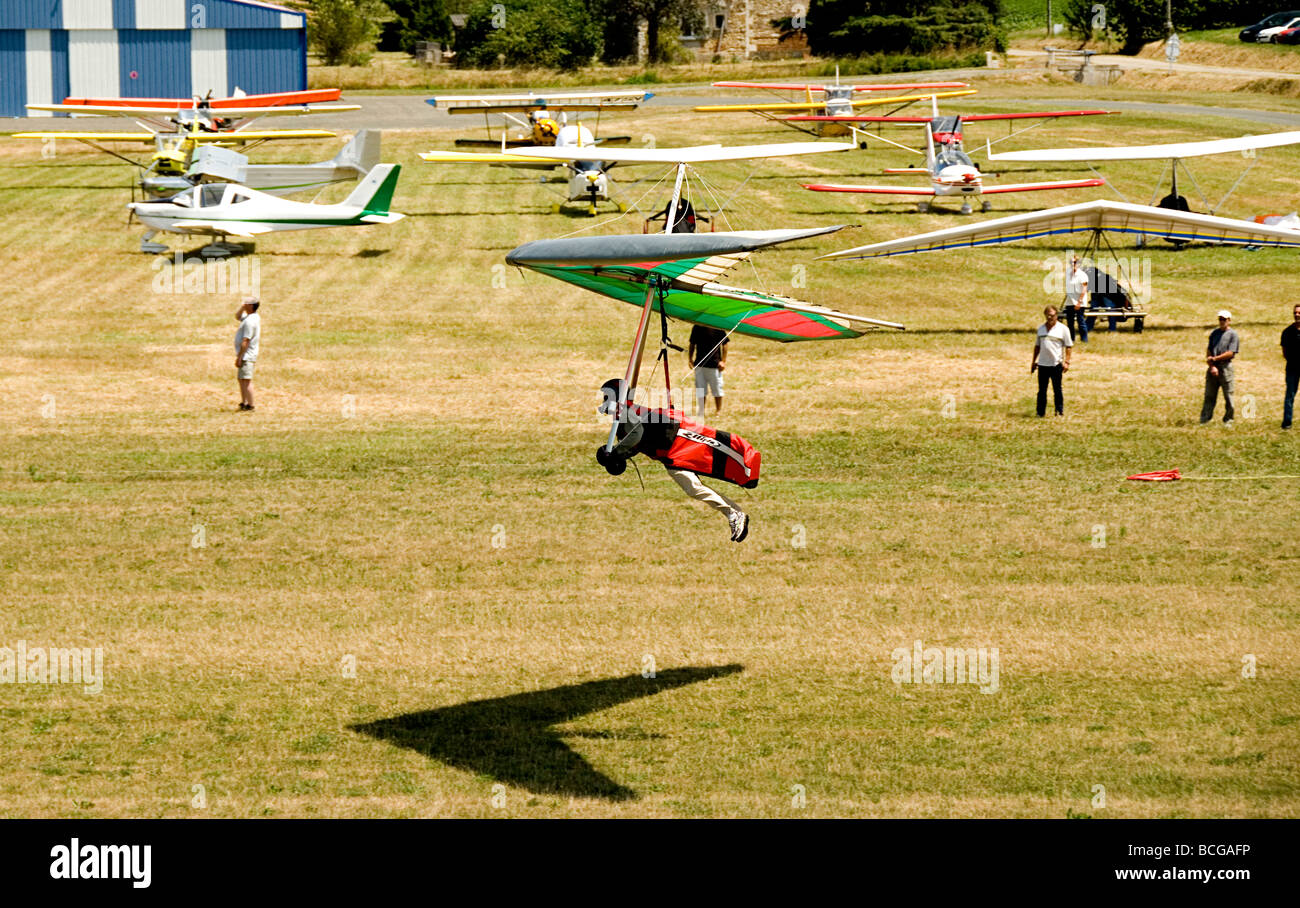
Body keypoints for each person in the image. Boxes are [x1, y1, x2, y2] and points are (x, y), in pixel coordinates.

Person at [596, 379, 756, 542]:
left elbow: (637, 436)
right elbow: (636, 444)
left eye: (606, 397)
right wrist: (617, 456)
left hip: (676, 448)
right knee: (695, 488)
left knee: (694, 487)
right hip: (670, 454)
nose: (604, 401)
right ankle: (734, 512)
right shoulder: (625, 417)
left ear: (616, 397)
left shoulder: (627, 411)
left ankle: (733, 513)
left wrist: (616, 451)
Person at [1031, 305, 1072, 417]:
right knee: (1041, 391)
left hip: (1056, 365)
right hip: (1043, 364)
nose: (1050, 318)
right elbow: (1037, 347)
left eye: (1052, 315)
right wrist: (1033, 362)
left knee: (1057, 390)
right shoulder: (1041, 329)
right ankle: (1040, 413)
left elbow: (1068, 346)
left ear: (1056, 315)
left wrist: (1067, 362)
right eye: (1048, 315)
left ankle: (1059, 411)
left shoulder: (1063, 329)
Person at [1201, 310, 1239, 425]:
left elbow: (1231, 353)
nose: (1222, 321)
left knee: (1228, 396)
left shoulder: (1233, 335)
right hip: (1213, 368)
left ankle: (1228, 420)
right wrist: (1212, 366)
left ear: (1229, 320)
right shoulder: (1214, 333)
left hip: (1226, 368)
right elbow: (1209, 351)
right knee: (1209, 395)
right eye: (1220, 319)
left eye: (1224, 319)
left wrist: (1215, 359)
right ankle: (1205, 419)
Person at [688, 324, 728, 415]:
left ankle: (718, 411)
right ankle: (701, 411)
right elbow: (692, 344)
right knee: (700, 389)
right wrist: (690, 359)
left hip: (715, 365)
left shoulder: (718, 326)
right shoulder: (697, 327)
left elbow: (725, 344)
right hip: (699, 364)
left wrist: (723, 361)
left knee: (717, 389)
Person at [233, 297, 260, 412]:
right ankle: (244, 402)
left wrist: (239, 357)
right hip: (246, 355)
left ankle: (251, 405)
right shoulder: (251, 317)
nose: (243, 304)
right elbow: (238, 316)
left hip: (247, 355)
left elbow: (246, 341)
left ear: (251, 306)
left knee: (246, 380)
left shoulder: (250, 322)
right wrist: (242, 308)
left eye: (246, 303)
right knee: (241, 379)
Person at [1064, 254, 1090, 343]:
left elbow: (1084, 289)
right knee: (1070, 322)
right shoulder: (1068, 272)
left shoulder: (1082, 275)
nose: (1072, 264)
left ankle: (1084, 339)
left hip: (1079, 302)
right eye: (1071, 262)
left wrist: (1079, 302)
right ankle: (1071, 339)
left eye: (1074, 262)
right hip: (1069, 301)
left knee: (1080, 321)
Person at [1282, 303, 1300, 429]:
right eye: (1295, 313)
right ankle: (1287, 422)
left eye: (1299, 313)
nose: (1297, 315)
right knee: (1290, 395)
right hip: (1292, 368)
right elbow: (1284, 351)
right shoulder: (1287, 332)